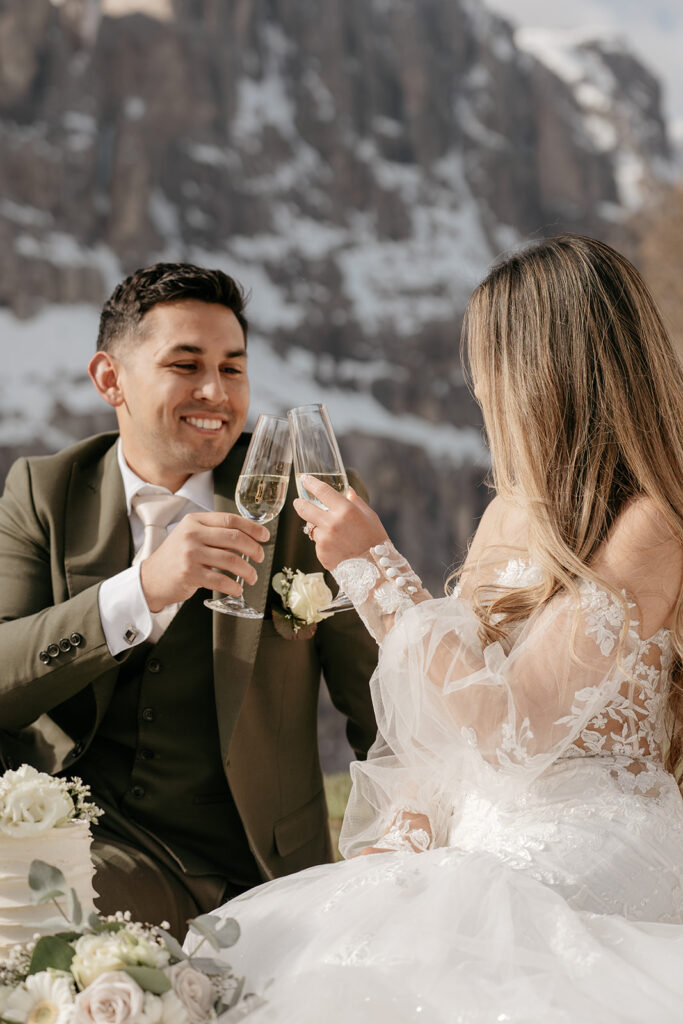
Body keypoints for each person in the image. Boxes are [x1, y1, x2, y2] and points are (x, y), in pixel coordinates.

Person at [189, 236, 683, 1022]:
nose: (479, 389)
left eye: (489, 364)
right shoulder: (505, 514)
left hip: (595, 839)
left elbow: (512, 727)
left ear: (543, 369)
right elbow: (446, 724)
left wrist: (374, 571)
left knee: (439, 941)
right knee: (335, 930)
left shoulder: (648, 525)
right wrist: (408, 830)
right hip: (482, 833)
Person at [0, 263, 378, 939]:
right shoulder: (44, 493)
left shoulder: (303, 502)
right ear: (109, 379)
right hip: (82, 836)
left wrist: (395, 855)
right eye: (186, 364)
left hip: (249, 865)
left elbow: (378, 701)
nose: (215, 391)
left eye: (233, 368)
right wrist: (139, 592)